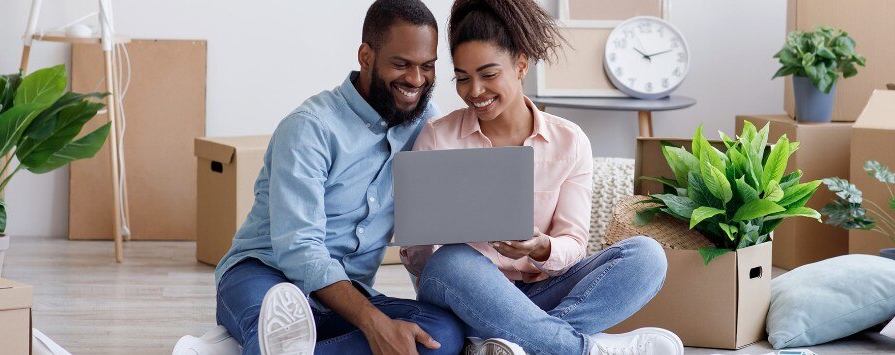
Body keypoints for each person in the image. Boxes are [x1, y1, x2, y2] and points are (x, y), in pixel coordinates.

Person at [400, 1, 682, 354]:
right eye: (462, 78)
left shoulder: (570, 140)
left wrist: (540, 246)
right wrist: (417, 238)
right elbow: (426, 264)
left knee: (647, 256)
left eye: (488, 74)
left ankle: (514, 342)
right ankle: (582, 348)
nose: (475, 91)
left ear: (521, 64)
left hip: (543, 292)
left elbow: (574, 243)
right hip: (467, 295)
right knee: (451, 262)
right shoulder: (438, 136)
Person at [211, 1, 464, 354]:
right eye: (401, 64)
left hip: (346, 293)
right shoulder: (309, 128)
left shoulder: (425, 123)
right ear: (366, 56)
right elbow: (300, 250)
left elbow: (431, 222)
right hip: (265, 274)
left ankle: (278, 347)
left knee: (444, 334)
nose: (416, 79)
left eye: (427, 66)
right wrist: (375, 324)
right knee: (277, 334)